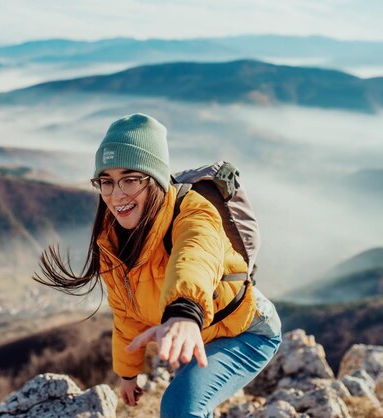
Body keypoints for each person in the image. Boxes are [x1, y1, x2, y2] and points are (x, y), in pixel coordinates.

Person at [34, 113, 282, 418]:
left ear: (156, 179)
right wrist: (128, 373)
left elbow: (194, 258)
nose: (116, 194)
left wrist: (184, 312)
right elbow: (126, 314)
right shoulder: (112, 240)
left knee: (180, 407)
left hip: (246, 331)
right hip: (201, 332)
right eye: (106, 182)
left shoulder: (194, 214)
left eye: (130, 179)